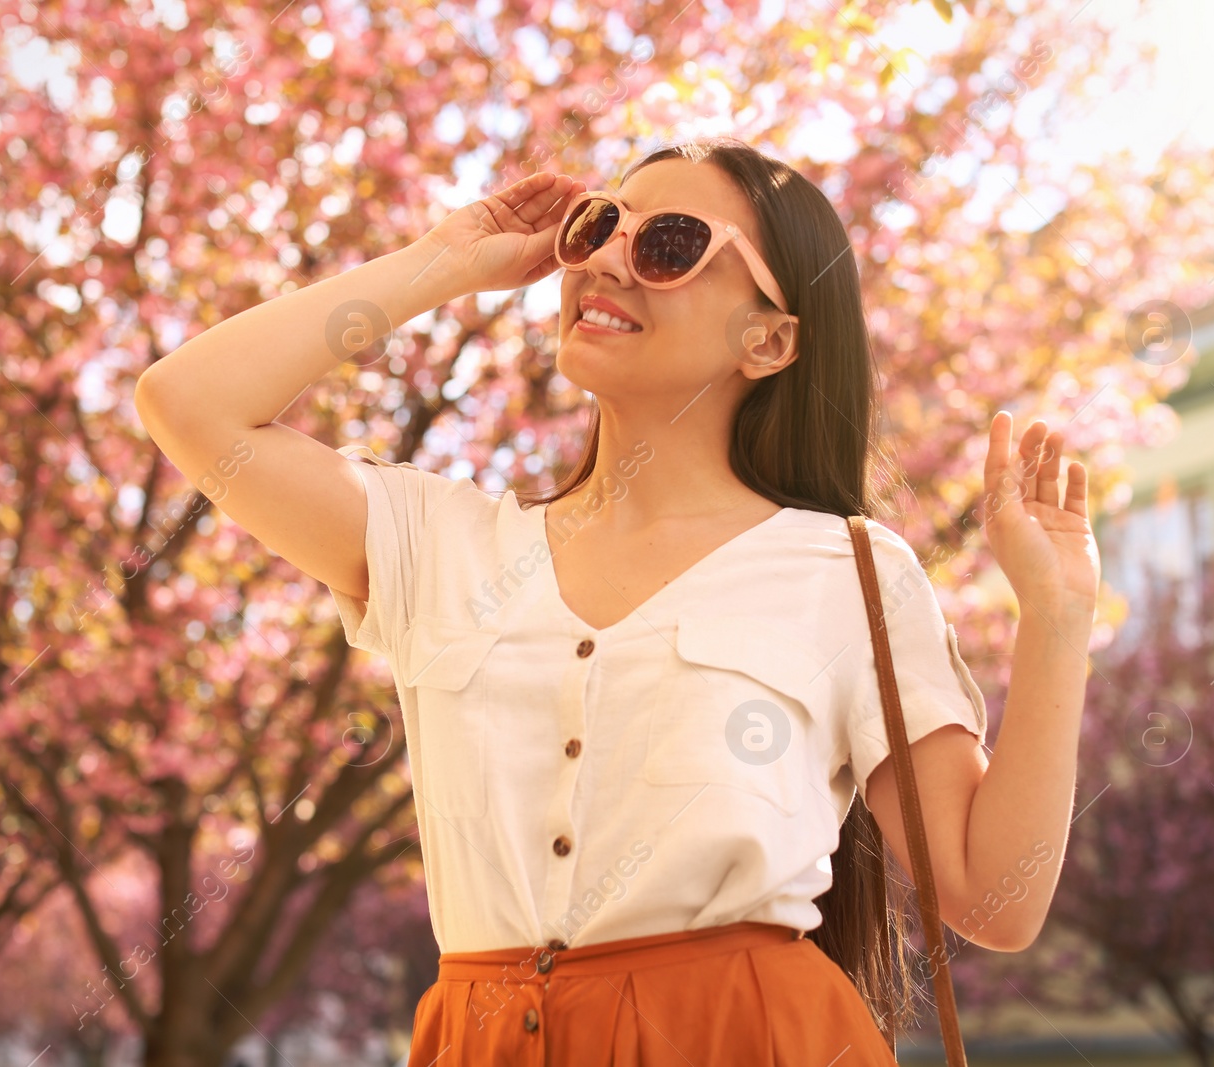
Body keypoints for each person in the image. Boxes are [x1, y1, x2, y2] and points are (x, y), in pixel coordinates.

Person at [135, 137, 1100, 1066]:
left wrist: (1056, 625)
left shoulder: (849, 572)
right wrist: (442, 260)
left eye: (668, 244)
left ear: (768, 339)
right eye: (598, 227)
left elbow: (992, 897)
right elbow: (190, 405)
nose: (606, 261)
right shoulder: (443, 546)